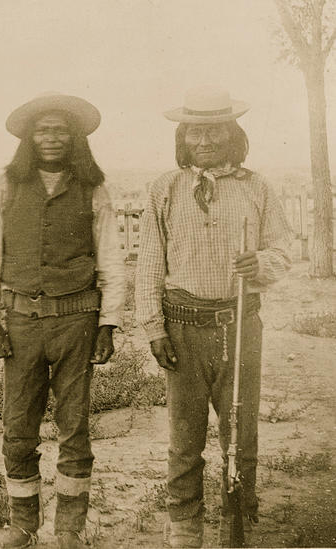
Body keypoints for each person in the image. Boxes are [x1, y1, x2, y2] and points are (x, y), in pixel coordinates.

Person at [135, 86, 292, 548]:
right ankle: (184, 521)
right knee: (184, 435)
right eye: (195, 131)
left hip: (239, 323)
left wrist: (259, 264)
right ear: (183, 136)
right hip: (181, 327)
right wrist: (153, 327)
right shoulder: (164, 188)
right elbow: (149, 263)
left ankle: (237, 512)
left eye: (214, 131)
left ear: (232, 134)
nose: (204, 141)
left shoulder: (256, 186)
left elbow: (283, 249)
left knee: (239, 428)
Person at [0, 92, 125, 549]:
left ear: (75, 138)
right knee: (18, 427)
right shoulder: (5, 185)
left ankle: (69, 530)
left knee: (74, 426)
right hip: (21, 323)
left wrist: (108, 324)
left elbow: (111, 260)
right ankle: (23, 526)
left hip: (77, 322)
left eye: (60, 130)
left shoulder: (94, 188)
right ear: (29, 138)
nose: (51, 138)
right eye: (43, 130)